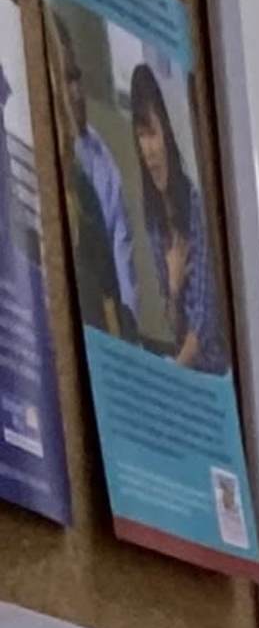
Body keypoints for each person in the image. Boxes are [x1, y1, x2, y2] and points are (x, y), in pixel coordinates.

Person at [47, 19, 140, 338]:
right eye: (66, 80)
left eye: (78, 79)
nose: (77, 93)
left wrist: (125, 328)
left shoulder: (101, 158)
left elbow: (121, 254)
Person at [127, 58, 217, 371]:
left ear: (167, 132)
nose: (148, 150)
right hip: (185, 365)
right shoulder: (154, 221)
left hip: (211, 371)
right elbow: (172, 322)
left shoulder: (195, 209)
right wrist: (175, 288)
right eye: (140, 136)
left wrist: (171, 373)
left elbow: (202, 330)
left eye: (152, 133)